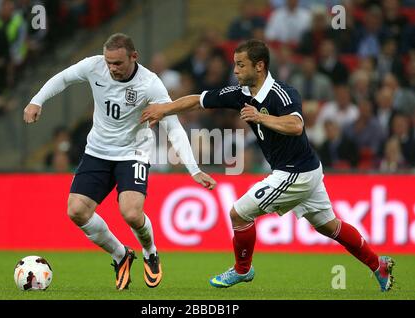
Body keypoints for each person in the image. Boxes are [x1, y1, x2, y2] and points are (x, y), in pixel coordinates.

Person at [141, 39, 395, 292]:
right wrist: (164, 109)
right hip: (306, 169)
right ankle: (378, 266)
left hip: (296, 173)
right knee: (330, 226)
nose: (236, 71)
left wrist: (260, 116)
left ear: (259, 66)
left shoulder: (282, 93)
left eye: (241, 65)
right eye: (235, 65)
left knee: (238, 214)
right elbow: (199, 100)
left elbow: (296, 126)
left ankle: (243, 270)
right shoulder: (240, 93)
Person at [23, 33, 216, 290]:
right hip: (97, 151)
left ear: (133, 57)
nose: (112, 68)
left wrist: (194, 169)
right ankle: (121, 254)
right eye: (109, 62)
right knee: (76, 211)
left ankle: (150, 251)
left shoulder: (150, 84)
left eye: (118, 63)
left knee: (132, 213)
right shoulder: (94, 66)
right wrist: (37, 100)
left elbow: (173, 126)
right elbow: (64, 77)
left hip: (132, 153)